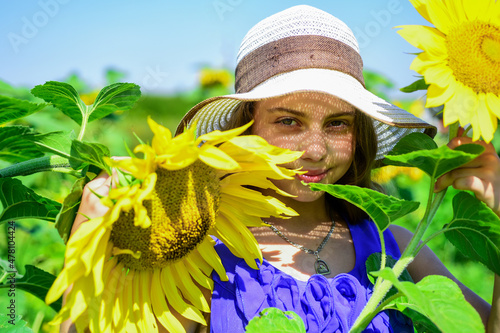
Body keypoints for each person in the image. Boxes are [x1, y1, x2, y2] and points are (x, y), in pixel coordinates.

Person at [69, 5, 500, 332]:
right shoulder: (200, 251)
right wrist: (87, 245)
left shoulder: (398, 247)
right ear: (246, 126)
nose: (314, 150)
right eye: (288, 121)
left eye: (337, 124)